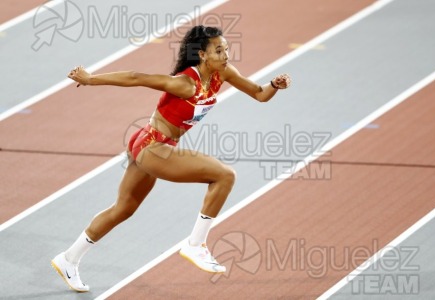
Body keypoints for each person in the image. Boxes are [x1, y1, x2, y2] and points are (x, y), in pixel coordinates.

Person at [51, 25, 291, 292]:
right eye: (219, 50)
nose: (226, 55)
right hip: (153, 145)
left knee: (124, 208)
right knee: (225, 175)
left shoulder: (223, 73)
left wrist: (274, 86)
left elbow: (259, 94)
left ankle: (69, 259)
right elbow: (135, 77)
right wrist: (90, 78)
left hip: (151, 143)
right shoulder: (185, 84)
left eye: (227, 49)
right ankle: (195, 244)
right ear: (201, 54)